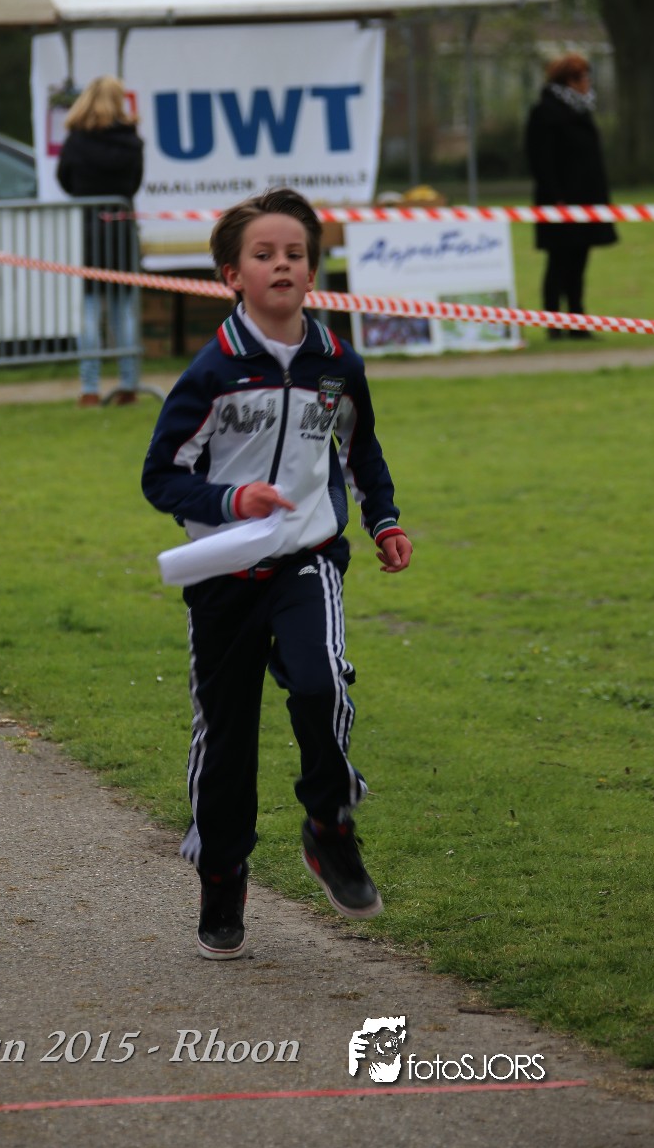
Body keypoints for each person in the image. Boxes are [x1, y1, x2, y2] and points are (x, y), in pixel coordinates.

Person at [142, 187, 412, 960]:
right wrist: (232, 500)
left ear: (313, 270)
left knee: (322, 685)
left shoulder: (337, 363)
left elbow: (360, 450)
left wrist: (384, 519)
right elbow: (162, 476)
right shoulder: (214, 371)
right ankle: (222, 879)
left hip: (306, 559)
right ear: (232, 275)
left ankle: (329, 825)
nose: (282, 265)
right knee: (227, 740)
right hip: (224, 575)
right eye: (264, 255)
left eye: (295, 253)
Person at [56, 76, 144, 406]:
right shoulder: (131, 141)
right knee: (124, 311)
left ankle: (90, 388)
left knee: (89, 311)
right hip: (120, 228)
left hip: (86, 230)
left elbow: (64, 180)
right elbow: (133, 184)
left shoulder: (76, 140)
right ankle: (129, 384)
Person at [525, 52, 617, 338]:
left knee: (578, 262)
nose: (588, 82)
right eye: (583, 77)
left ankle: (577, 320)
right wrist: (556, 197)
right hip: (560, 202)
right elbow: (541, 159)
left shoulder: (581, 110)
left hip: (586, 201)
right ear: (569, 81)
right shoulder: (545, 113)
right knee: (558, 262)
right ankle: (554, 321)